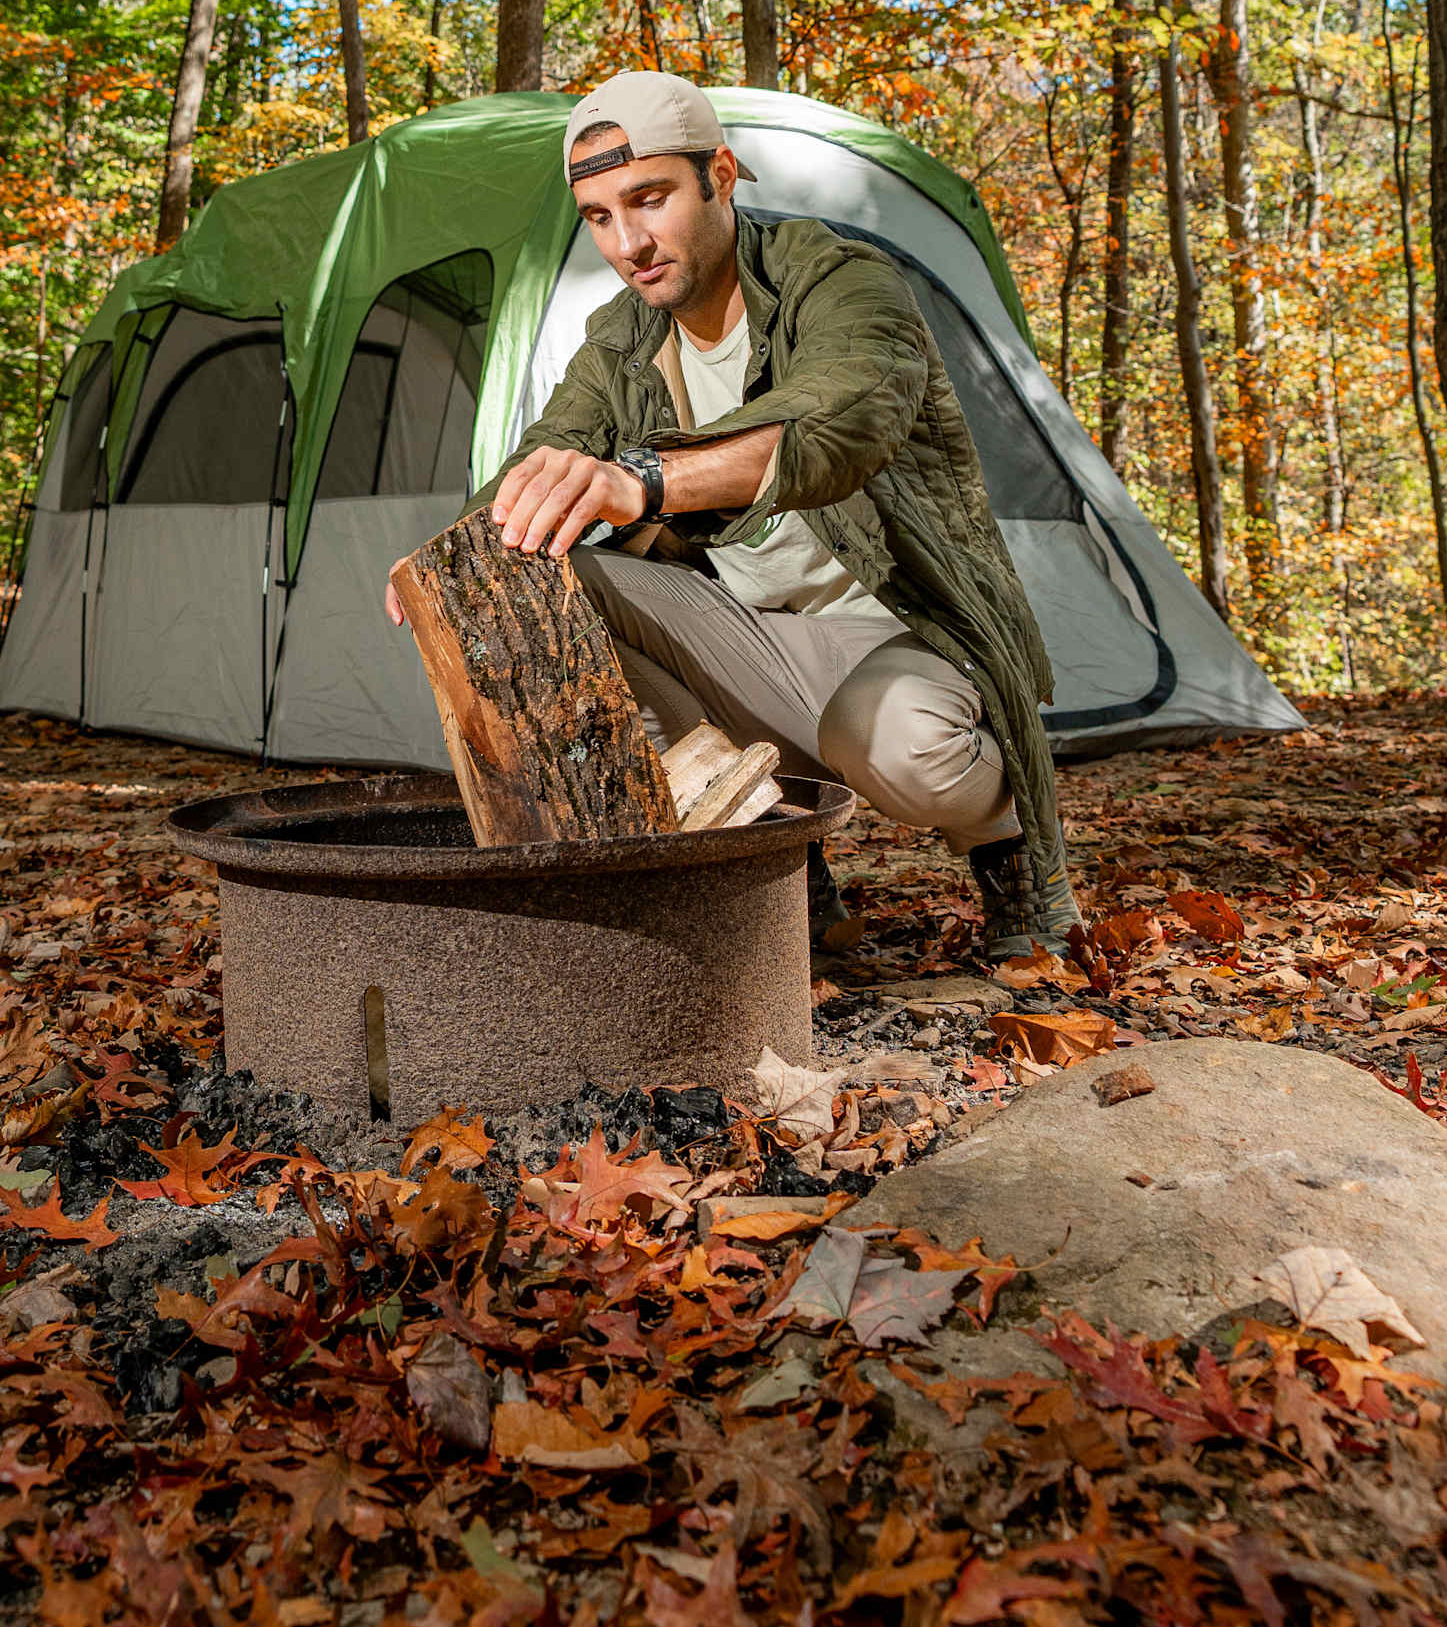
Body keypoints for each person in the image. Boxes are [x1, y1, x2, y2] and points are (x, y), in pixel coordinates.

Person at [392, 69, 1077, 959]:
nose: (629, 241)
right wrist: (454, 560)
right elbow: (545, 455)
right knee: (555, 583)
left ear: (719, 173)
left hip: (904, 627)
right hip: (748, 635)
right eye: (599, 216)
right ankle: (774, 849)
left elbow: (840, 424)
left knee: (899, 744)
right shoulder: (624, 339)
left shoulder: (840, 281)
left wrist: (640, 479)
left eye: (649, 198)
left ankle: (1012, 851)